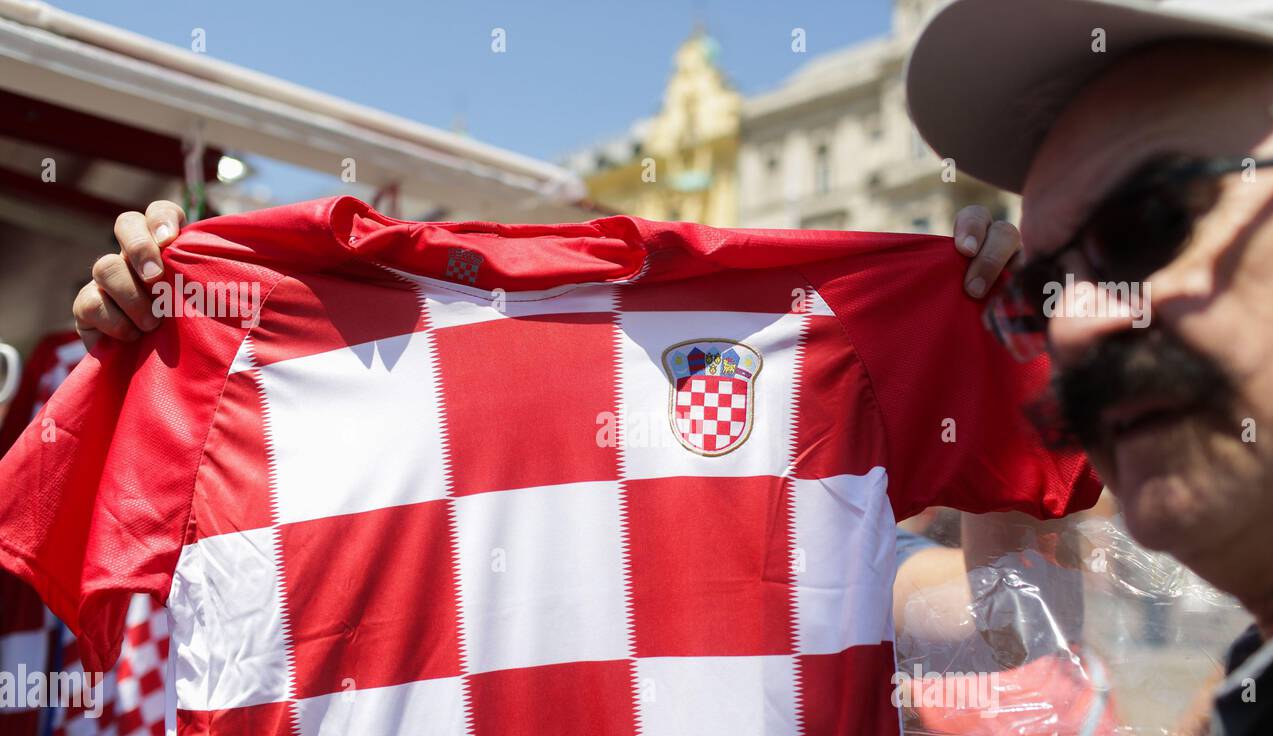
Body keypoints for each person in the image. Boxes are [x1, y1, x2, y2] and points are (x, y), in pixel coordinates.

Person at [906, 0, 1273, 736]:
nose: (1074, 324)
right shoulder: (1259, 705)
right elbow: (1020, 621)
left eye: (1146, 224)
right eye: (1038, 291)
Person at [70, 203, 1024, 349]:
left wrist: (1006, 335)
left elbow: (996, 623)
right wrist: (160, 328)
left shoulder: (827, 328)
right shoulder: (235, 317)